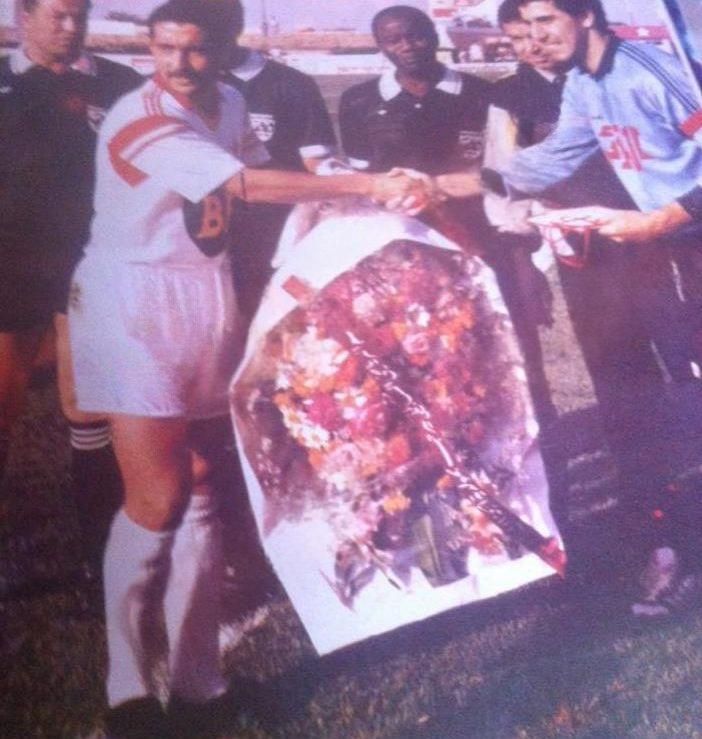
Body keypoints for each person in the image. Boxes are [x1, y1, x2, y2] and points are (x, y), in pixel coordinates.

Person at [68, 1, 427, 736]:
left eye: (195, 49)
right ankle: (126, 690)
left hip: (207, 291)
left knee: (204, 485)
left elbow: (272, 168)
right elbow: (245, 187)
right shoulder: (139, 117)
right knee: (157, 496)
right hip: (132, 299)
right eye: (163, 48)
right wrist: (368, 187)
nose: (177, 64)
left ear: (227, 48)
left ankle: (199, 682)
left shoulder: (229, 101)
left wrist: (357, 184)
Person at [470, 0, 702, 616]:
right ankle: (670, 548)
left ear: (588, 16)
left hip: (687, 246)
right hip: (634, 255)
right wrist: (447, 184)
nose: (536, 38)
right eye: (526, 28)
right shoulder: (580, 84)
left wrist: (660, 220)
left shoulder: (655, 69)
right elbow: (548, 160)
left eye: (547, 21)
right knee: (637, 401)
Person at [339, 4, 557, 430]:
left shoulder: (483, 95)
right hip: (404, 251)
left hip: (484, 242)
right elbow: (362, 188)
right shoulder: (359, 102)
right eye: (393, 40)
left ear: (435, 36)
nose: (407, 46)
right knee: (429, 356)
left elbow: (508, 177)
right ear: (380, 46)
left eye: (416, 35)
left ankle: (543, 440)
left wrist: (521, 254)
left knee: (511, 346)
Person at [0, 0, 140, 587]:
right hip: (11, 264)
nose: (70, 27)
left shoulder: (119, 83)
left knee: (88, 406)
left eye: (78, 15)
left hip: (89, 261)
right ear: (22, 16)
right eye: (57, 15)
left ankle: (97, 548)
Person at [222, 0, 337, 319]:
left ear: (234, 26)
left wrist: (343, 184)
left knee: (284, 317)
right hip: (205, 231)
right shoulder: (184, 87)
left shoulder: (293, 83)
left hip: (277, 227)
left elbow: (317, 159)